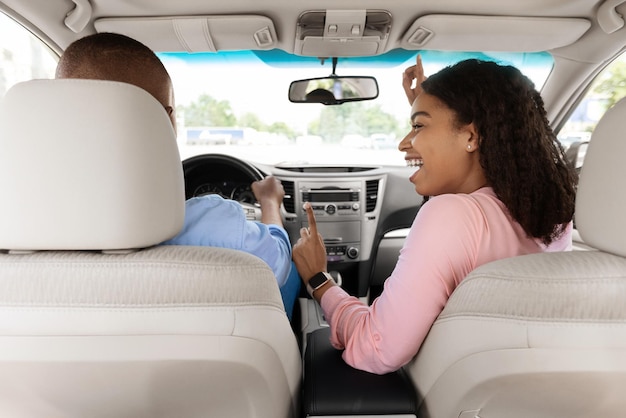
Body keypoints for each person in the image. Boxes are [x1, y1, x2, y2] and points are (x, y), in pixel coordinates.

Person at [292, 56, 578, 374]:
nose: (404, 143)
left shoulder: (450, 216)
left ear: (471, 137)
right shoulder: (553, 216)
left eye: (417, 126)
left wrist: (319, 280)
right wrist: (430, 113)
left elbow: (376, 350)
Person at [56, 32, 300, 318]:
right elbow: (279, 263)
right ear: (165, 117)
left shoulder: (20, 228)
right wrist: (270, 203)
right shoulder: (215, 223)